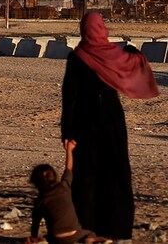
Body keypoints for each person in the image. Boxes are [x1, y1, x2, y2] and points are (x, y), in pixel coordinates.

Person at [61, 12, 159, 241]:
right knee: (115, 172)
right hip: (112, 121)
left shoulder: (77, 58)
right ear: (102, 29)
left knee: (86, 175)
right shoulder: (115, 55)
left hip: (84, 123)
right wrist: (133, 52)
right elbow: (136, 59)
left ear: (83, 29)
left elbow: (70, 97)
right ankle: (116, 229)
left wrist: (67, 131)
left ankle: (87, 228)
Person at [27, 140, 107, 244]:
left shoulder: (40, 201)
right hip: (75, 234)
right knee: (90, 233)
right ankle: (91, 239)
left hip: (56, 237)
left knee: (47, 237)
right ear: (54, 176)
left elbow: (35, 223)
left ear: (35, 182)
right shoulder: (64, 187)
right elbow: (68, 169)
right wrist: (69, 149)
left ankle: (42, 241)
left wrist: (34, 237)